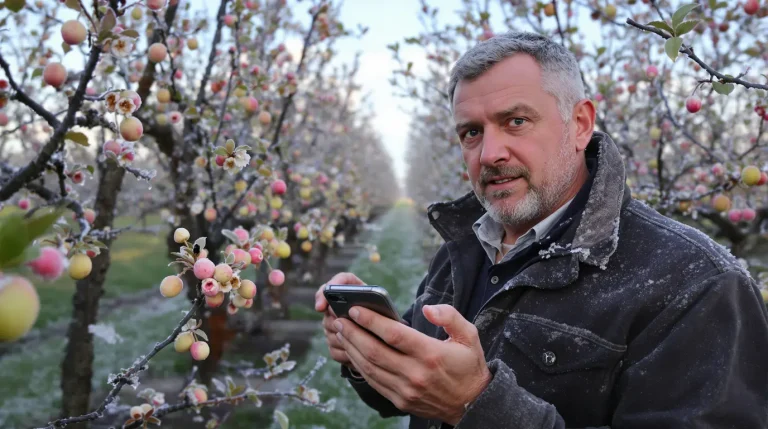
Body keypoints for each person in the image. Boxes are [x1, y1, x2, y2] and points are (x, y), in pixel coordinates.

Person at [314, 31, 768, 429]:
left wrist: (475, 404)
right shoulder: (466, 247)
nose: (490, 152)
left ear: (581, 124)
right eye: (471, 133)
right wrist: (368, 350)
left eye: (516, 121)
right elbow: (413, 393)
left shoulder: (694, 283)